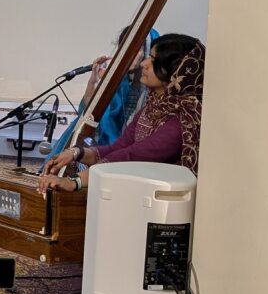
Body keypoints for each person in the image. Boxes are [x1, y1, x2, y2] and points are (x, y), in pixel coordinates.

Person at [38, 33, 205, 195]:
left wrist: (75, 182)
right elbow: (117, 148)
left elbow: (131, 156)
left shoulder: (182, 120)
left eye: (153, 60)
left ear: (176, 72)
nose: (144, 64)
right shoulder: (151, 108)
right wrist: (74, 153)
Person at [44, 27, 158, 159]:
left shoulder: (153, 84)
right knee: (82, 138)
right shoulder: (114, 75)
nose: (129, 53)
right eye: (124, 47)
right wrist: (94, 82)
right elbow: (87, 112)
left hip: (131, 143)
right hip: (102, 139)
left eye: (136, 49)